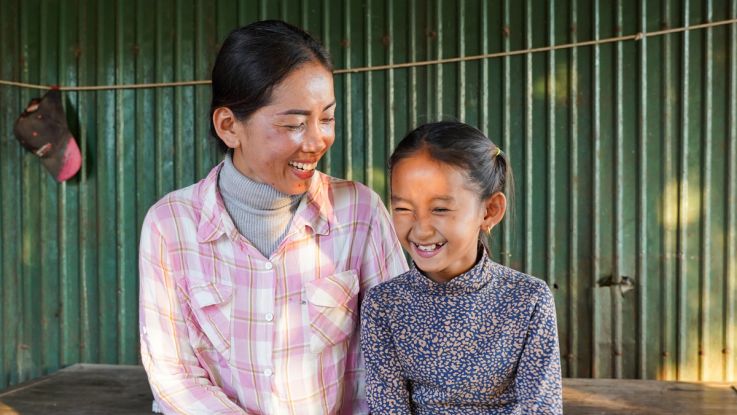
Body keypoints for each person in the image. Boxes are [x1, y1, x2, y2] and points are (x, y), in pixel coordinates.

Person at [138, 20, 408, 414]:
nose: (317, 140)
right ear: (229, 126)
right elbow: (174, 376)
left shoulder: (359, 213)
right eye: (294, 124)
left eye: (326, 118)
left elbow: (393, 358)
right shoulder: (171, 226)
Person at [361, 121, 563, 414]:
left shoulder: (528, 299)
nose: (421, 229)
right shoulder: (385, 304)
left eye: (440, 209)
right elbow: (388, 407)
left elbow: (542, 407)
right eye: (403, 208)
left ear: (490, 210)